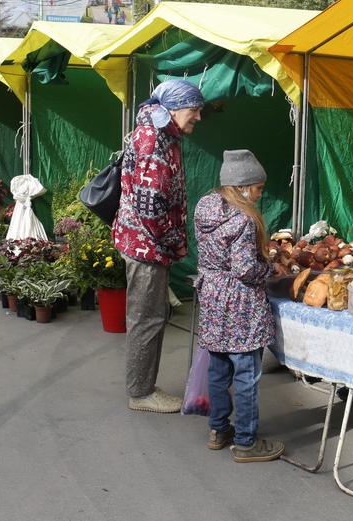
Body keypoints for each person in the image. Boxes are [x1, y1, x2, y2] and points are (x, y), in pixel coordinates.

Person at [113, 78, 204, 413]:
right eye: (194, 109)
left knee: (148, 315)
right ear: (175, 108)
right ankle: (141, 392)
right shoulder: (155, 140)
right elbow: (152, 209)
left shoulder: (159, 132)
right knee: (146, 318)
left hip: (142, 242)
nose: (198, 117)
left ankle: (142, 385)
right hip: (147, 247)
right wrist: (175, 244)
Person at [193, 149, 285, 462]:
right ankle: (246, 441)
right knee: (246, 373)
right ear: (244, 187)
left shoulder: (205, 208)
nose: (260, 194)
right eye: (258, 188)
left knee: (219, 369)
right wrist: (270, 269)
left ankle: (218, 429)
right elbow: (245, 268)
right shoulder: (244, 219)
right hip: (240, 304)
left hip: (212, 297)